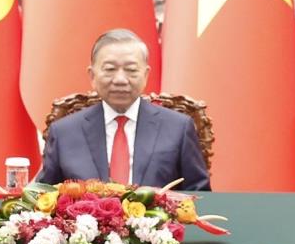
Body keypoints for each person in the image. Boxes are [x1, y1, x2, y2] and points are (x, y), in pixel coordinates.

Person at [36, 28, 211, 190]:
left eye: (131, 70)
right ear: (92, 76)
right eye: (110, 69)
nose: (120, 79)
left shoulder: (178, 128)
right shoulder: (64, 132)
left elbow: (200, 194)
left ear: (145, 75)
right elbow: (44, 196)